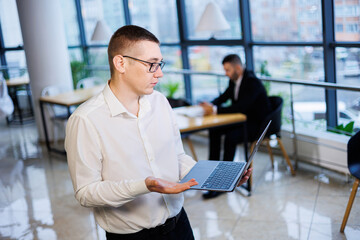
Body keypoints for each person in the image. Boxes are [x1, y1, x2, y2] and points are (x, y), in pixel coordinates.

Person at [65, 25, 252, 240]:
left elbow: (177, 157)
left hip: (179, 223)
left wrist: (219, 178)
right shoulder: (86, 120)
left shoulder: (160, 102)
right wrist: (144, 186)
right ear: (120, 63)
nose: (160, 73)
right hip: (132, 236)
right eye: (151, 65)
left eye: (159, 64)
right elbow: (86, 193)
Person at [200, 54, 271, 199]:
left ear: (238, 68)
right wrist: (211, 104)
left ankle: (224, 182)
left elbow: (241, 107)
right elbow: (224, 97)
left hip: (256, 126)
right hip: (242, 121)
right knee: (214, 130)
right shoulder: (235, 80)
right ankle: (212, 175)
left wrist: (215, 110)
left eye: (228, 70)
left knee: (230, 138)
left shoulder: (252, 82)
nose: (226, 74)